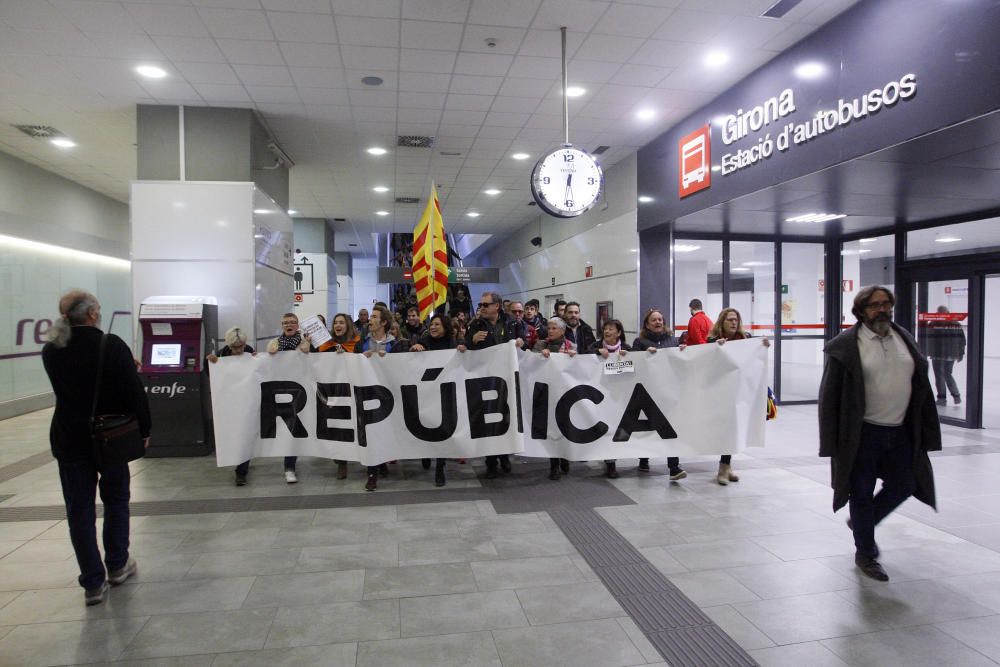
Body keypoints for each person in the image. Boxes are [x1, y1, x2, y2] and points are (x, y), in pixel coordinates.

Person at [819, 285, 940, 582]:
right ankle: (866, 553)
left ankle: (864, 523)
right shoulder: (845, 346)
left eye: (886, 304)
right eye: (874, 305)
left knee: (906, 483)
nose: (882, 309)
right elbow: (829, 397)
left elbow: (920, 384)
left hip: (900, 432)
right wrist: (831, 441)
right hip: (862, 434)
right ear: (861, 311)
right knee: (860, 492)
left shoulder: (904, 339)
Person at [42, 290, 150, 606]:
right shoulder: (110, 345)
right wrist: (144, 428)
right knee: (116, 498)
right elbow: (133, 392)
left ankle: (92, 582)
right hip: (110, 436)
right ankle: (117, 564)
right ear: (91, 314)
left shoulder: (52, 350)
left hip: (69, 438)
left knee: (79, 509)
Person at [459, 291, 524, 478]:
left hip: (506, 379)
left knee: (505, 416)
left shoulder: (511, 322)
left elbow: (525, 338)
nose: (482, 308)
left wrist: (521, 340)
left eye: (486, 305)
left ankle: (504, 456)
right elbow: (466, 346)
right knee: (487, 418)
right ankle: (491, 460)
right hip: (485, 378)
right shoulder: (476, 324)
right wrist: (471, 341)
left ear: (497, 306)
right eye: (481, 305)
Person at [706, 308, 770, 485]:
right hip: (721, 393)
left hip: (741, 393)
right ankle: (724, 467)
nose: (734, 323)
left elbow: (755, 356)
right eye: (730, 320)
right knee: (726, 429)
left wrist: (762, 345)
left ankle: (726, 467)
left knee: (735, 428)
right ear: (722, 322)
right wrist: (715, 348)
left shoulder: (746, 339)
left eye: (736, 320)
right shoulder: (712, 340)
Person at [631, 309, 682, 477]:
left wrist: (683, 352)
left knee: (670, 429)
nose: (658, 322)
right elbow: (632, 362)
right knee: (647, 427)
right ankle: (643, 459)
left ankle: (674, 467)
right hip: (647, 392)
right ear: (647, 324)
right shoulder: (640, 342)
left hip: (668, 392)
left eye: (660, 319)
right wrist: (644, 356)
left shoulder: (673, 340)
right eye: (654, 320)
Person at [410, 313, 456, 486]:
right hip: (426, 393)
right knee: (426, 425)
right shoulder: (424, 341)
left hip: (445, 393)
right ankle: (425, 451)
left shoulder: (453, 343)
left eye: (437, 324)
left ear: (445, 327)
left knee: (442, 429)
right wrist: (415, 348)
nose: (433, 327)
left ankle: (440, 466)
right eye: (431, 324)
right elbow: (410, 358)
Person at [207, 327, 256, 486]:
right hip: (229, 402)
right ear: (229, 345)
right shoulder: (222, 354)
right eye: (235, 347)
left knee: (244, 434)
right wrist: (211, 361)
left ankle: (241, 471)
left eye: (241, 346)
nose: (239, 350)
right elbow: (210, 372)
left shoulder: (249, 351)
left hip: (245, 400)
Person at [360, 305, 402, 491]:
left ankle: (381, 461)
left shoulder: (396, 343)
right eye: (370, 316)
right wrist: (361, 358)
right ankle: (372, 473)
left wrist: (390, 359)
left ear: (384, 322)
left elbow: (403, 366)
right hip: (368, 395)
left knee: (385, 430)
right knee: (371, 431)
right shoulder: (362, 342)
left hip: (388, 395)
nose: (370, 319)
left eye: (375, 317)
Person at [267, 312, 309, 483]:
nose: (289, 325)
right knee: (287, 431)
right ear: (281, 325)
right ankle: (289, 466)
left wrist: (306, 342)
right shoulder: (275, 342)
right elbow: (269, 354)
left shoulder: (304, 341)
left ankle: (290, 466)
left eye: (292, 322)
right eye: (285, 323)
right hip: (281, 392)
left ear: (297, 325)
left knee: (296, 429)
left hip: (300, 391)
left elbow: (306, 351)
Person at [321, 314, 363, 479]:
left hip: (352, 389)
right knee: (339, 427)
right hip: (334, 391)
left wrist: (346, 355)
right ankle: (342, 462)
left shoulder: (356, 343)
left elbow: (361, 361)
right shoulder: (327, 344)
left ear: (348, 326)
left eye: (341, 323)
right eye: (335, 322)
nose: (338, 325)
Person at [533, 317, 575, 480]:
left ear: (563, 331)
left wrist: (574, 357)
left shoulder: (572, 347)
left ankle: (565, 457)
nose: (550, 331)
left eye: (554, 328)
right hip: (547, 394)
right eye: (549, 328)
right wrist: (538, 356)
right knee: (552, 428)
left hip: (566, 394)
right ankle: (554, 464)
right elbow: (530, 363)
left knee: (565, 427)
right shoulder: (540, 345)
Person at [588, 319, 630, 479]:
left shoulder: (627, 349)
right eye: (605, 328)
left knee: (618, 428)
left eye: (611, 329)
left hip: (619, 395)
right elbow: (582, 357)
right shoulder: (594, 346)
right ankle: (610, 464)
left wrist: (629, 357)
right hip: (600, 394)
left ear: (619, 332)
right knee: (605, 427)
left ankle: (613, 458)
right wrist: (597, 353)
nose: (607, 331)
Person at [925, 305, 965, 406]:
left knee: (939, 376)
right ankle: (956, 396)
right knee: (947, 374)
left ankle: (942, 399)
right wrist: (960, 353)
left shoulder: (933, 324)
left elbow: (928, 339)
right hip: (951, 354)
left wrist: (927, 351)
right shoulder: (956, 324)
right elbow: (962, 341)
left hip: (938, 354)